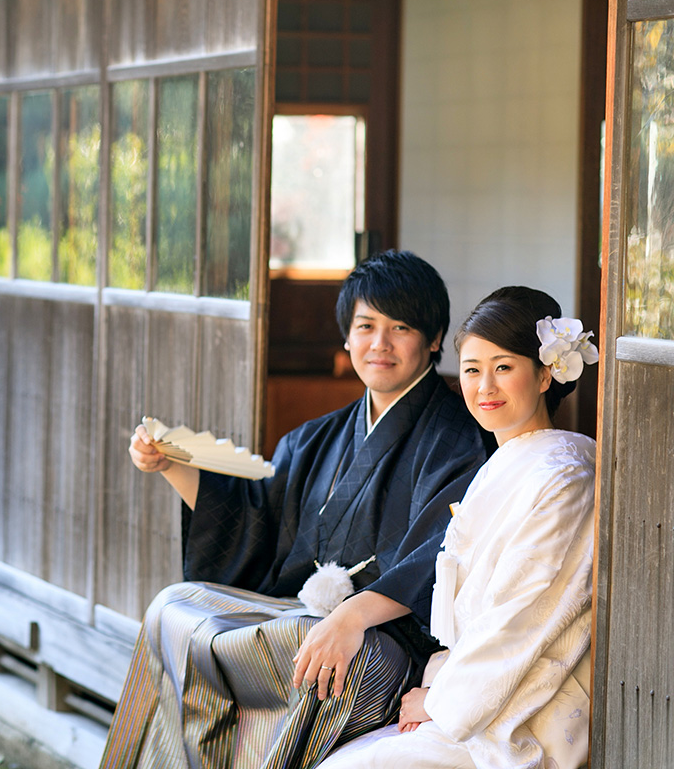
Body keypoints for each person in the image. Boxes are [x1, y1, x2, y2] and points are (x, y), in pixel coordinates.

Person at [100, 250, 493, 769]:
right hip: (299, 616)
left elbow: (440, 553)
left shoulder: (457, 441)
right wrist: (169, 465)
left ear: (434, 339)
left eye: (400, 328)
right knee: (171, 609)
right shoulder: (313, 439)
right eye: (366, 326)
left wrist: (352, 617)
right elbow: (252, 519)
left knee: (336, 656)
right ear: (346, 337)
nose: (380, 344)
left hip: (385, 643)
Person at [317, 286, 598, 769]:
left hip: (525, 709)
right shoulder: (509, 461)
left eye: (504, 367)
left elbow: (521, 618)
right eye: (472, 370)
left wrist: (440, 702)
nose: (485, 386)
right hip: (478, 689)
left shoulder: (566, 475)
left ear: (546, 373)